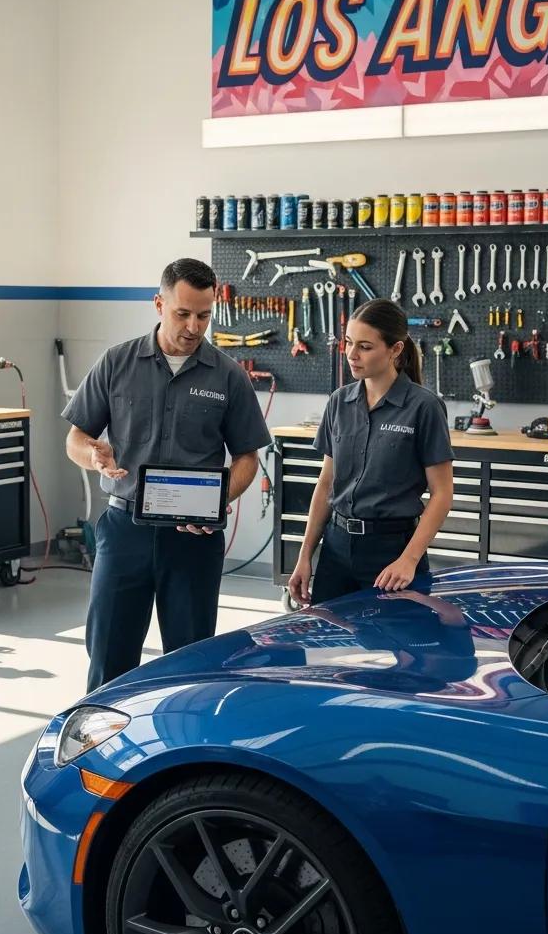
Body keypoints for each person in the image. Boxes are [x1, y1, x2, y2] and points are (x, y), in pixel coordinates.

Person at [64, 257, 272, 691]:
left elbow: (248, 459)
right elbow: (76, 438)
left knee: (191, 662)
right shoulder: (117, 363)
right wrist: (94, 455)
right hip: (124, 531)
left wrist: (217, 502)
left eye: (204, 316)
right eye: (183, 314)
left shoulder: (229, 376)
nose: (194, 327)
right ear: (159, 305)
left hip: (194, 539)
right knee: (108, 657)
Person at [288, 298, 454, 605]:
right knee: (334, 647)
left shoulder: (424, 407)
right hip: (335, 548)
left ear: (395, 350)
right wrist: (305, 555)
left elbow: (442, 494)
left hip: (392, 552)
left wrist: (409, 560)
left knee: (397, 646)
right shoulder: (339, 402)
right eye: (348, 342)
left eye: (365, 346)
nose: (351, 354)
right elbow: (326, 484)